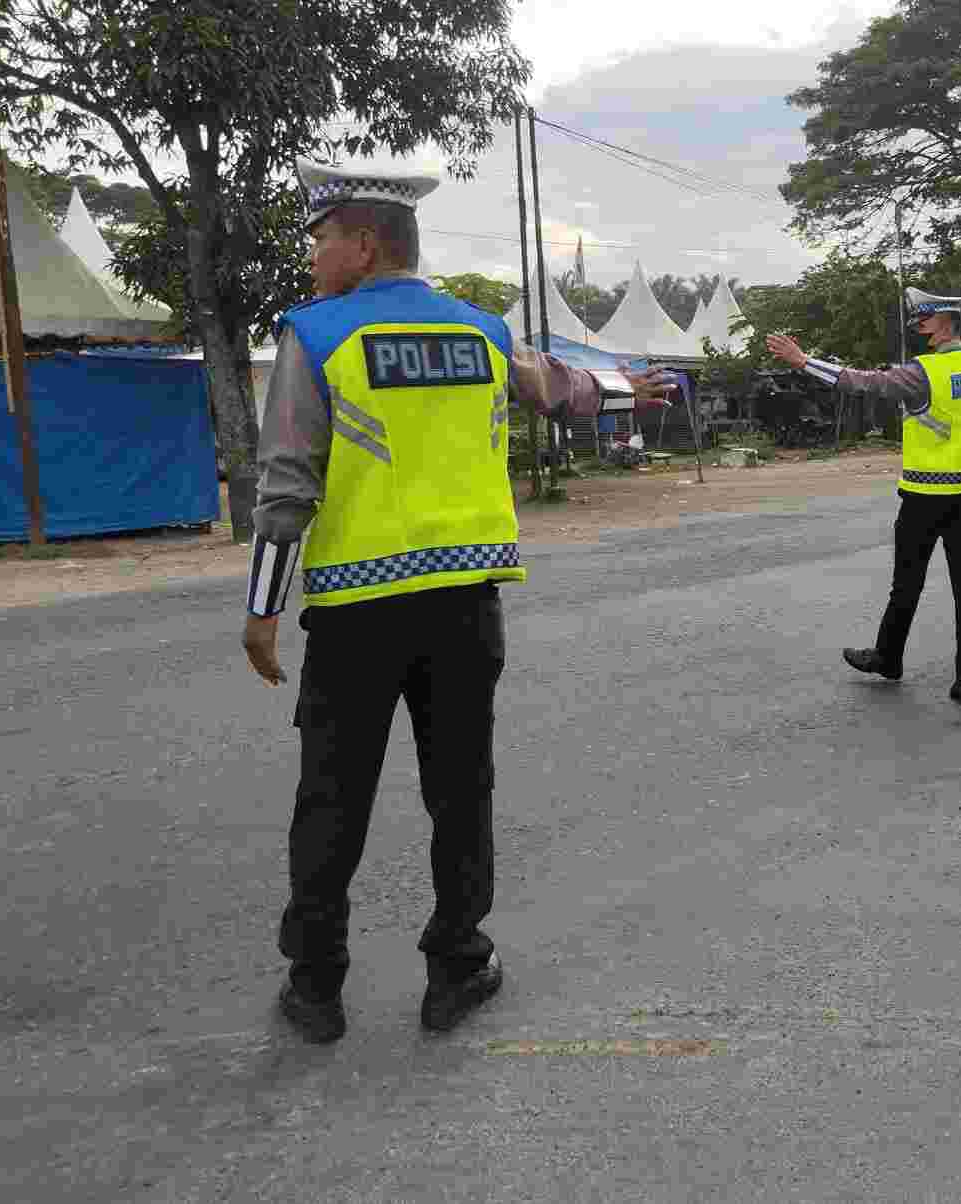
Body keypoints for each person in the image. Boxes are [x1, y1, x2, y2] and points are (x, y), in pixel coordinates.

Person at [242, 158, 671, 1043]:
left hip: (359, 610)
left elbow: (285, 484)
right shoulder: (481, 331)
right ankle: (457, 967)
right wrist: (630, 387)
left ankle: (316, 986)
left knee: (331, 796)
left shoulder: (316, 335)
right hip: (465, 606)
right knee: (461, 789)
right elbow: (560, 389)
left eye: (321, 239)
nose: (313, 255)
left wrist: (262, 610)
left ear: (365, 244)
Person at [766, 291, 961, 707]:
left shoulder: (922, 373)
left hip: (924, 499)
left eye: (926, 319)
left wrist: (804, 361)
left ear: (947, 323)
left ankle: (888, 658)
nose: (920, 326)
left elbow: (861, 381)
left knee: (907, 585)